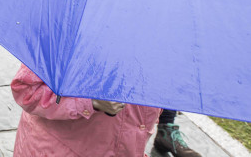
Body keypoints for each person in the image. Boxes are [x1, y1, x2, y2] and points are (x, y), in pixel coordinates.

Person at [11, 64, 161, 156]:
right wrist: (90, 102)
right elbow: (28, 91)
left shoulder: (164, 44)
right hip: (59, 149)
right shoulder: (69, 29)